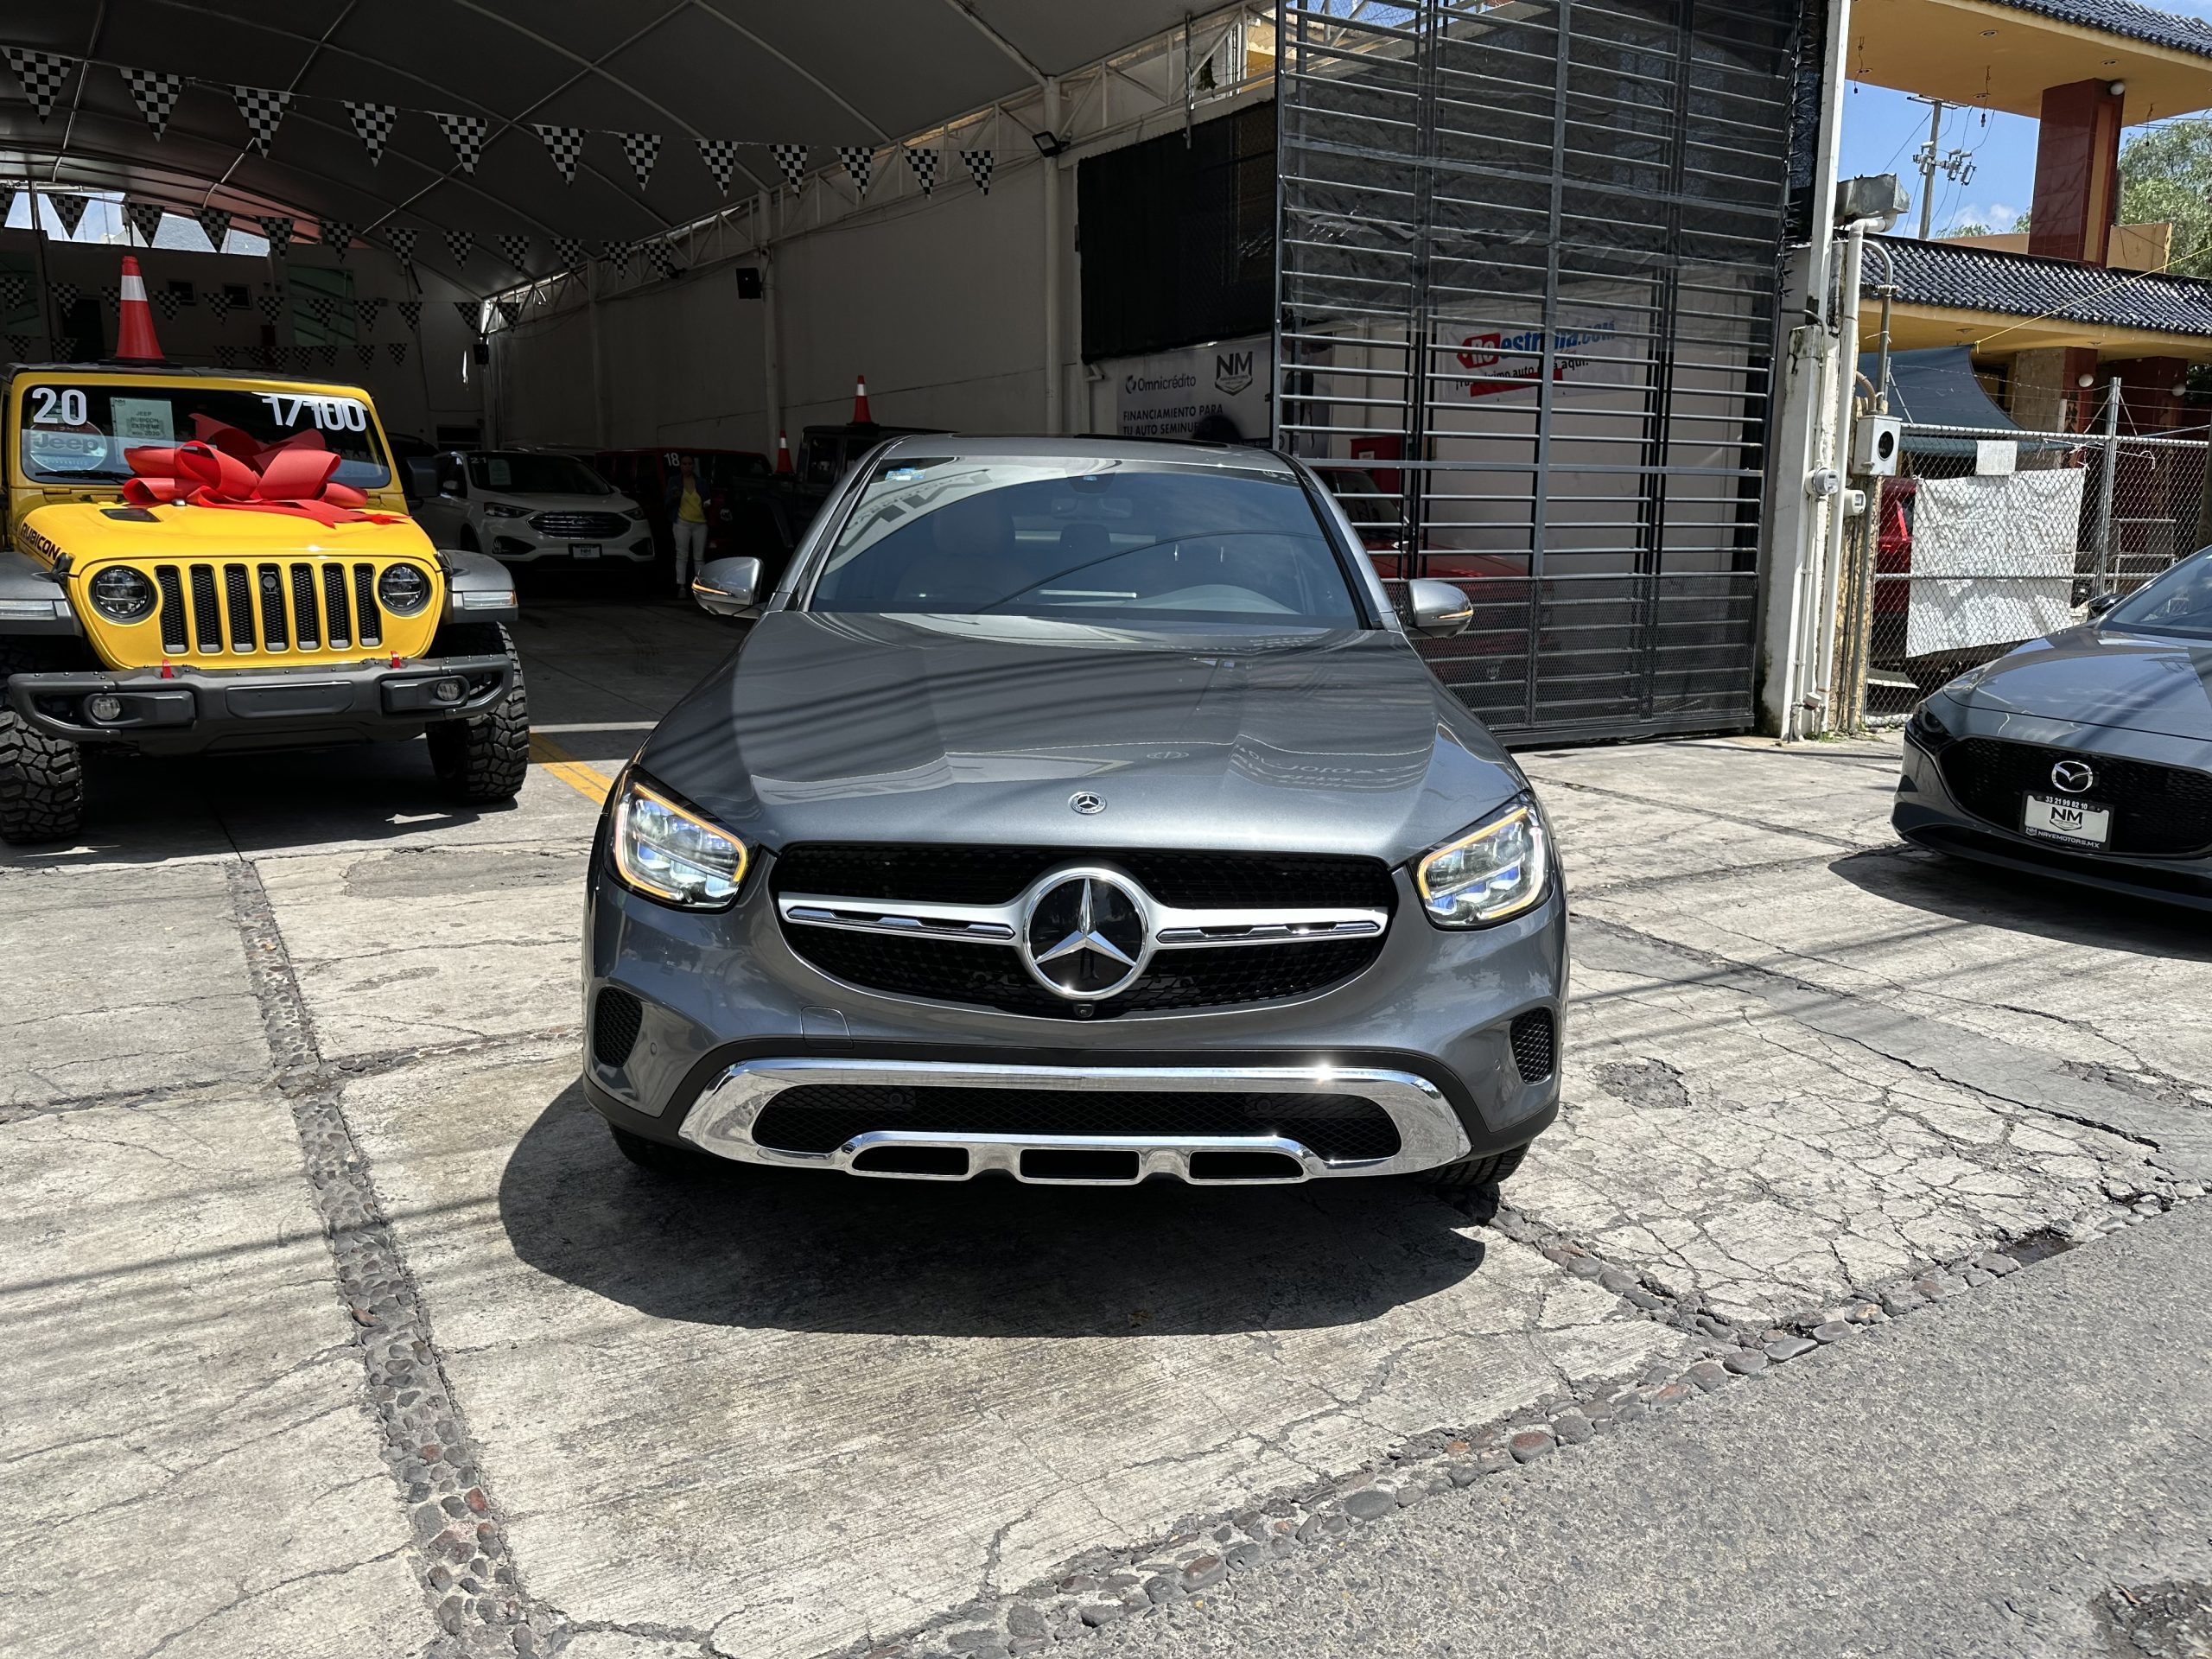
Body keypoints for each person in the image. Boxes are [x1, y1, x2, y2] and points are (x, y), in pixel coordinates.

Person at [667, 454, 709, 596]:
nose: (687, 467)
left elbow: (707, 500)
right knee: (682, 555)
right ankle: (681, 586)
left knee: (699, 556)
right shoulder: (674, 482)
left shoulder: (701, 482)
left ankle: (699, 587)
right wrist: (674, 497)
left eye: (690, 464)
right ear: (680, 465)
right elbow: (667, 502)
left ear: (693, 465)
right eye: (684, 464)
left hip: (700, 523)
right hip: (682, 522)